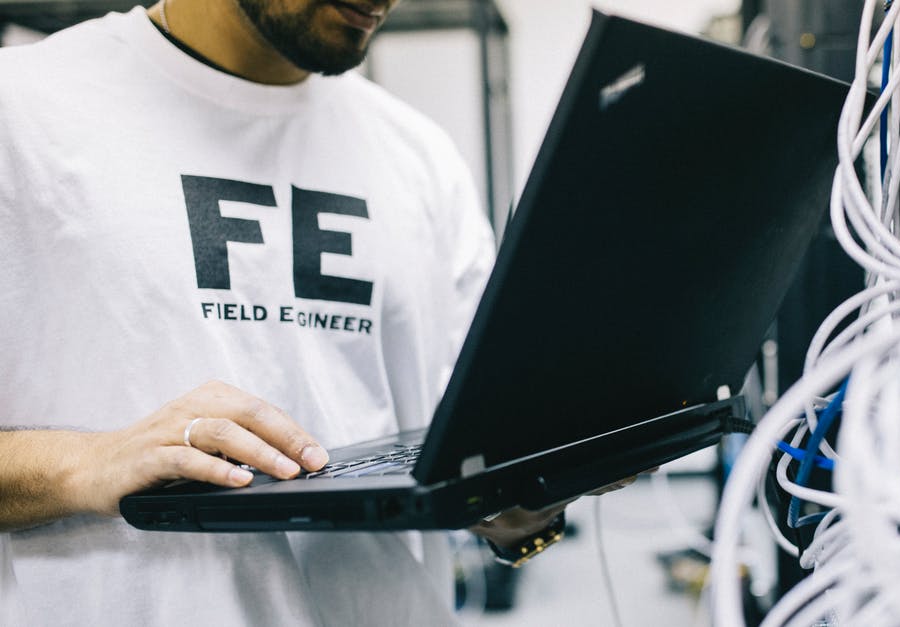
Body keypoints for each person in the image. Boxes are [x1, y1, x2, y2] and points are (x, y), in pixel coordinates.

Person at [0, 0, 570, 623]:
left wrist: (525, 502)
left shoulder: (423, 156)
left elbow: (475, 454)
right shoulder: (21, 110)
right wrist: (84, 464)